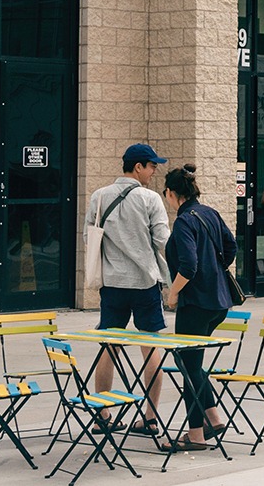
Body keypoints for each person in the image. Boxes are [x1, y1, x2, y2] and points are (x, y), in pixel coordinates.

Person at [86, 143, 171, 435]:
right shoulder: (150, 199)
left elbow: (90, 237)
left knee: (108, 346)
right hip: (145, 283)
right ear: (138, 167)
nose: (154, 171)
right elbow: (163, 240)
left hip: (112, 284)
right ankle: (149, 418)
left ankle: (103, 414)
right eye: (151, 166)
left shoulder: (98, 197)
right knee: (151, 347)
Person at [162, 164, 234, 453]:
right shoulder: (210, 214)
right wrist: (214, 273)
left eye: (165, 193)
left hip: (196, 304)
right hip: (219, 302)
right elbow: (231, 248)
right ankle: (213, 418)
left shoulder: (183, 222)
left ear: (172, 193)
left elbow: (188, 266)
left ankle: (196, 435)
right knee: (192, 365)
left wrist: (173, 293)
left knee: (189, 367)